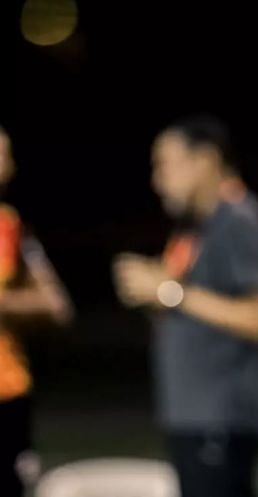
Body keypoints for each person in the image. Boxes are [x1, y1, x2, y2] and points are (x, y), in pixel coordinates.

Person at [111, 115, 258, 497]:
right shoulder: (198, 226)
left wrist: (169, 291)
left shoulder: (239, 218)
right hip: (197, 418)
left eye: (165, 164)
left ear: (204, 160)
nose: (157, 180)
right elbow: (189, 302)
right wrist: (151, 292)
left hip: (223, 418)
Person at [0, 125, 73, 497]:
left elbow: (56, 304)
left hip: (8, 392)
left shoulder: (11, 227)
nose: (7, 165)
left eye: (7, 155)